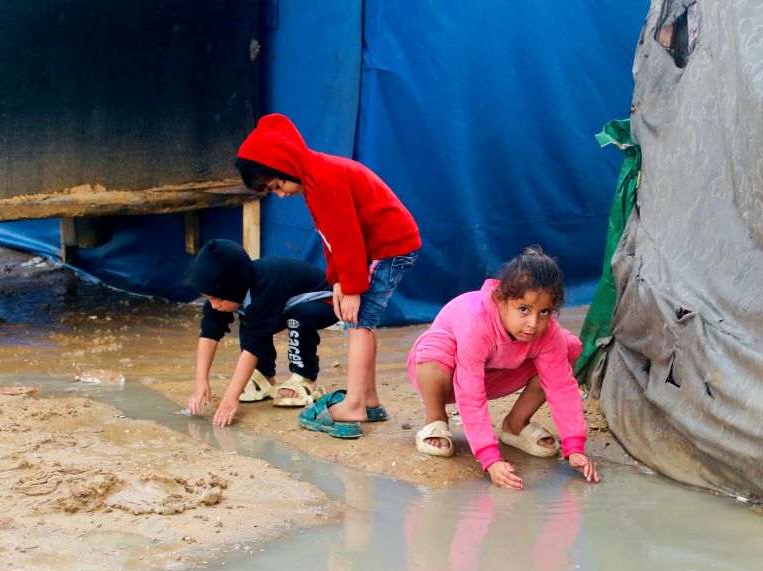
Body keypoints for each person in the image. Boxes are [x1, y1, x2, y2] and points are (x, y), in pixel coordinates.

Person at [235, 113, 421, 438]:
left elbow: (348, 237)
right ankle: (370, 398)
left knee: (359, 322)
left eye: (277, 185)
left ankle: (354, 405)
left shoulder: (322, 178)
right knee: (364, 321)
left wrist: (351, 288)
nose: (279, 194)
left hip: (386, 247)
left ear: (286, 164)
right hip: (376, 249)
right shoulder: (312, 179)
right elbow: (329, 236)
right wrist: (336, 280)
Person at [407, 246, 600, 489]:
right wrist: (490, 458)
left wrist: (574, 446)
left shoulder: (546, 331)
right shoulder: (476, 322)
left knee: (565, 348)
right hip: (446, 375)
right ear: (500, 299)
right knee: (433, 350)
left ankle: (515, 425)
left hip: (495, 373)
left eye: (544, 312)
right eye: (523, 309)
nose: (533, 323)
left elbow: (561, 387)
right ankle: (436, 419)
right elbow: (470, 392)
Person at [187, 239, 338, 427]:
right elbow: (209, 333)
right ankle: (263, 375)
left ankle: (303, 376)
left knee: (296, 317)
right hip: (284, 304)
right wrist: (201, 380)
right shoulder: (220, 295)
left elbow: (253, 346)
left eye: (216, 299)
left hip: (328, 300)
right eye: (207, 298)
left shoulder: (262, 289)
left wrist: (230, 397)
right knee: (253, 320)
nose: (213, 304)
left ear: (234, 289)